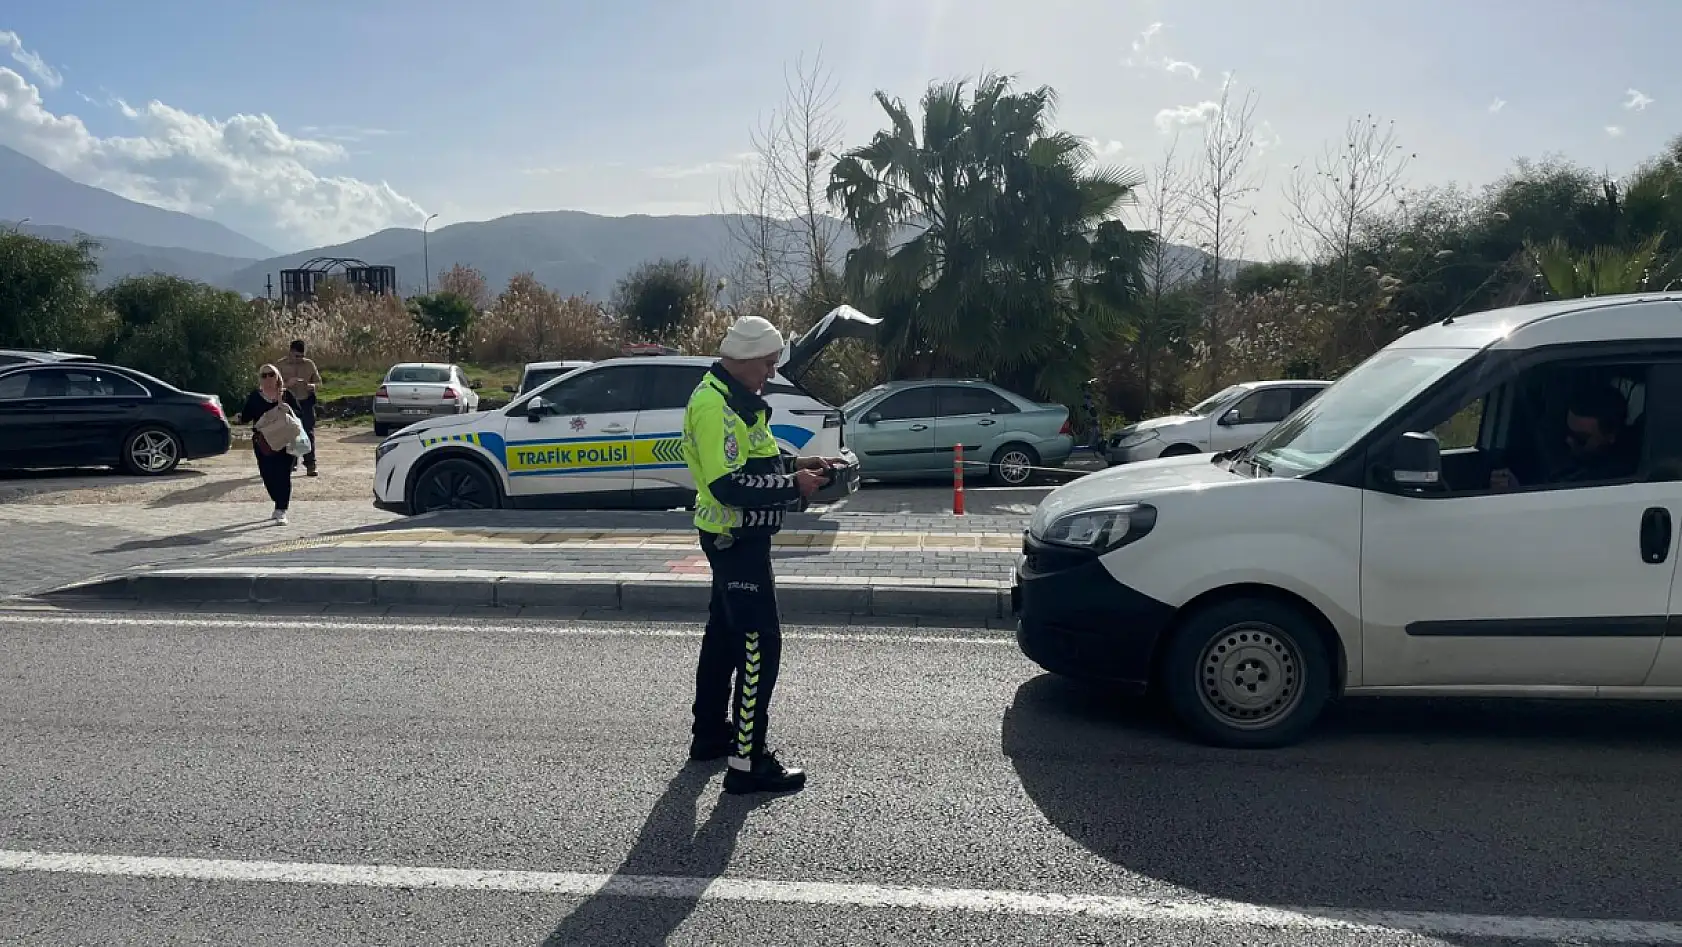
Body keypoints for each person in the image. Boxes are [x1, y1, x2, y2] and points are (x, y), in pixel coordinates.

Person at [681, 315, 836, 795]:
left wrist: (797, 465)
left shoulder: (735, 401)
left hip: (735, 536)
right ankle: (748, 762)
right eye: (768, 364)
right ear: (745, 360)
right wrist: (794, 486)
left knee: (724, 636)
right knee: (758, 645)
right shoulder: (716, 407)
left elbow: (754, 461)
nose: (771, 373)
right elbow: (729, 485)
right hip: (734, 536)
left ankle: (709, 736)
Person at [1490, 383, 1636, 491]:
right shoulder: (1577, 459)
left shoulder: (1619, 477)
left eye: (1580, 439)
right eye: (1567, 432)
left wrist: (1518, 494)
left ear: (1611, 435)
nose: (1569, 441)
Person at [240, 364, 302, 525]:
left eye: (271, 374)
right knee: (267, 474)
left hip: (285, 442)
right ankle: (278, 499)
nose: (268, 378)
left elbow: (299, 414)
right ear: (260, 379)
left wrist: (286, 409)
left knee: (283, 474)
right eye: (264, 375)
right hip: (263, 443)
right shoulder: (255, 396)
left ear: (277, 376)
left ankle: (281, 509)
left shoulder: (286, 395)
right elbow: (246, 417)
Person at [277, 339, 322, 477]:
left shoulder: (309, 364)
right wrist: (287, 384)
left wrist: (313, 386)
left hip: (306, 401)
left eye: (302, 356)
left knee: (308, 432)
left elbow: (319, 382)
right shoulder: (280, 365)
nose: (299, 359)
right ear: (290, 352)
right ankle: (290, 463)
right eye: (297, 356)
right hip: (289, 403)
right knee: (290, 432)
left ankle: (310, 464)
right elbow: (272, 386)